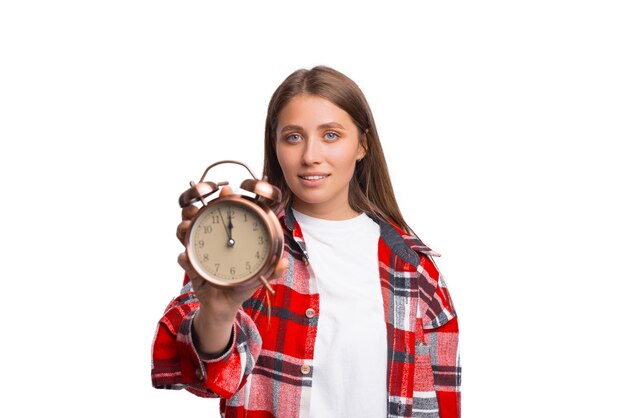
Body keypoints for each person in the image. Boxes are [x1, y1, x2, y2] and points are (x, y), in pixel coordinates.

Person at [151, 66, 461, 418]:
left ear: (362, 145)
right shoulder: (242, 251)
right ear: (276, 145)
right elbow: (194, 374)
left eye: (330, 135)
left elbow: (444, 399)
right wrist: (217, 315)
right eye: (294, 137)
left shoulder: (415, 268)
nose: (311, 155)